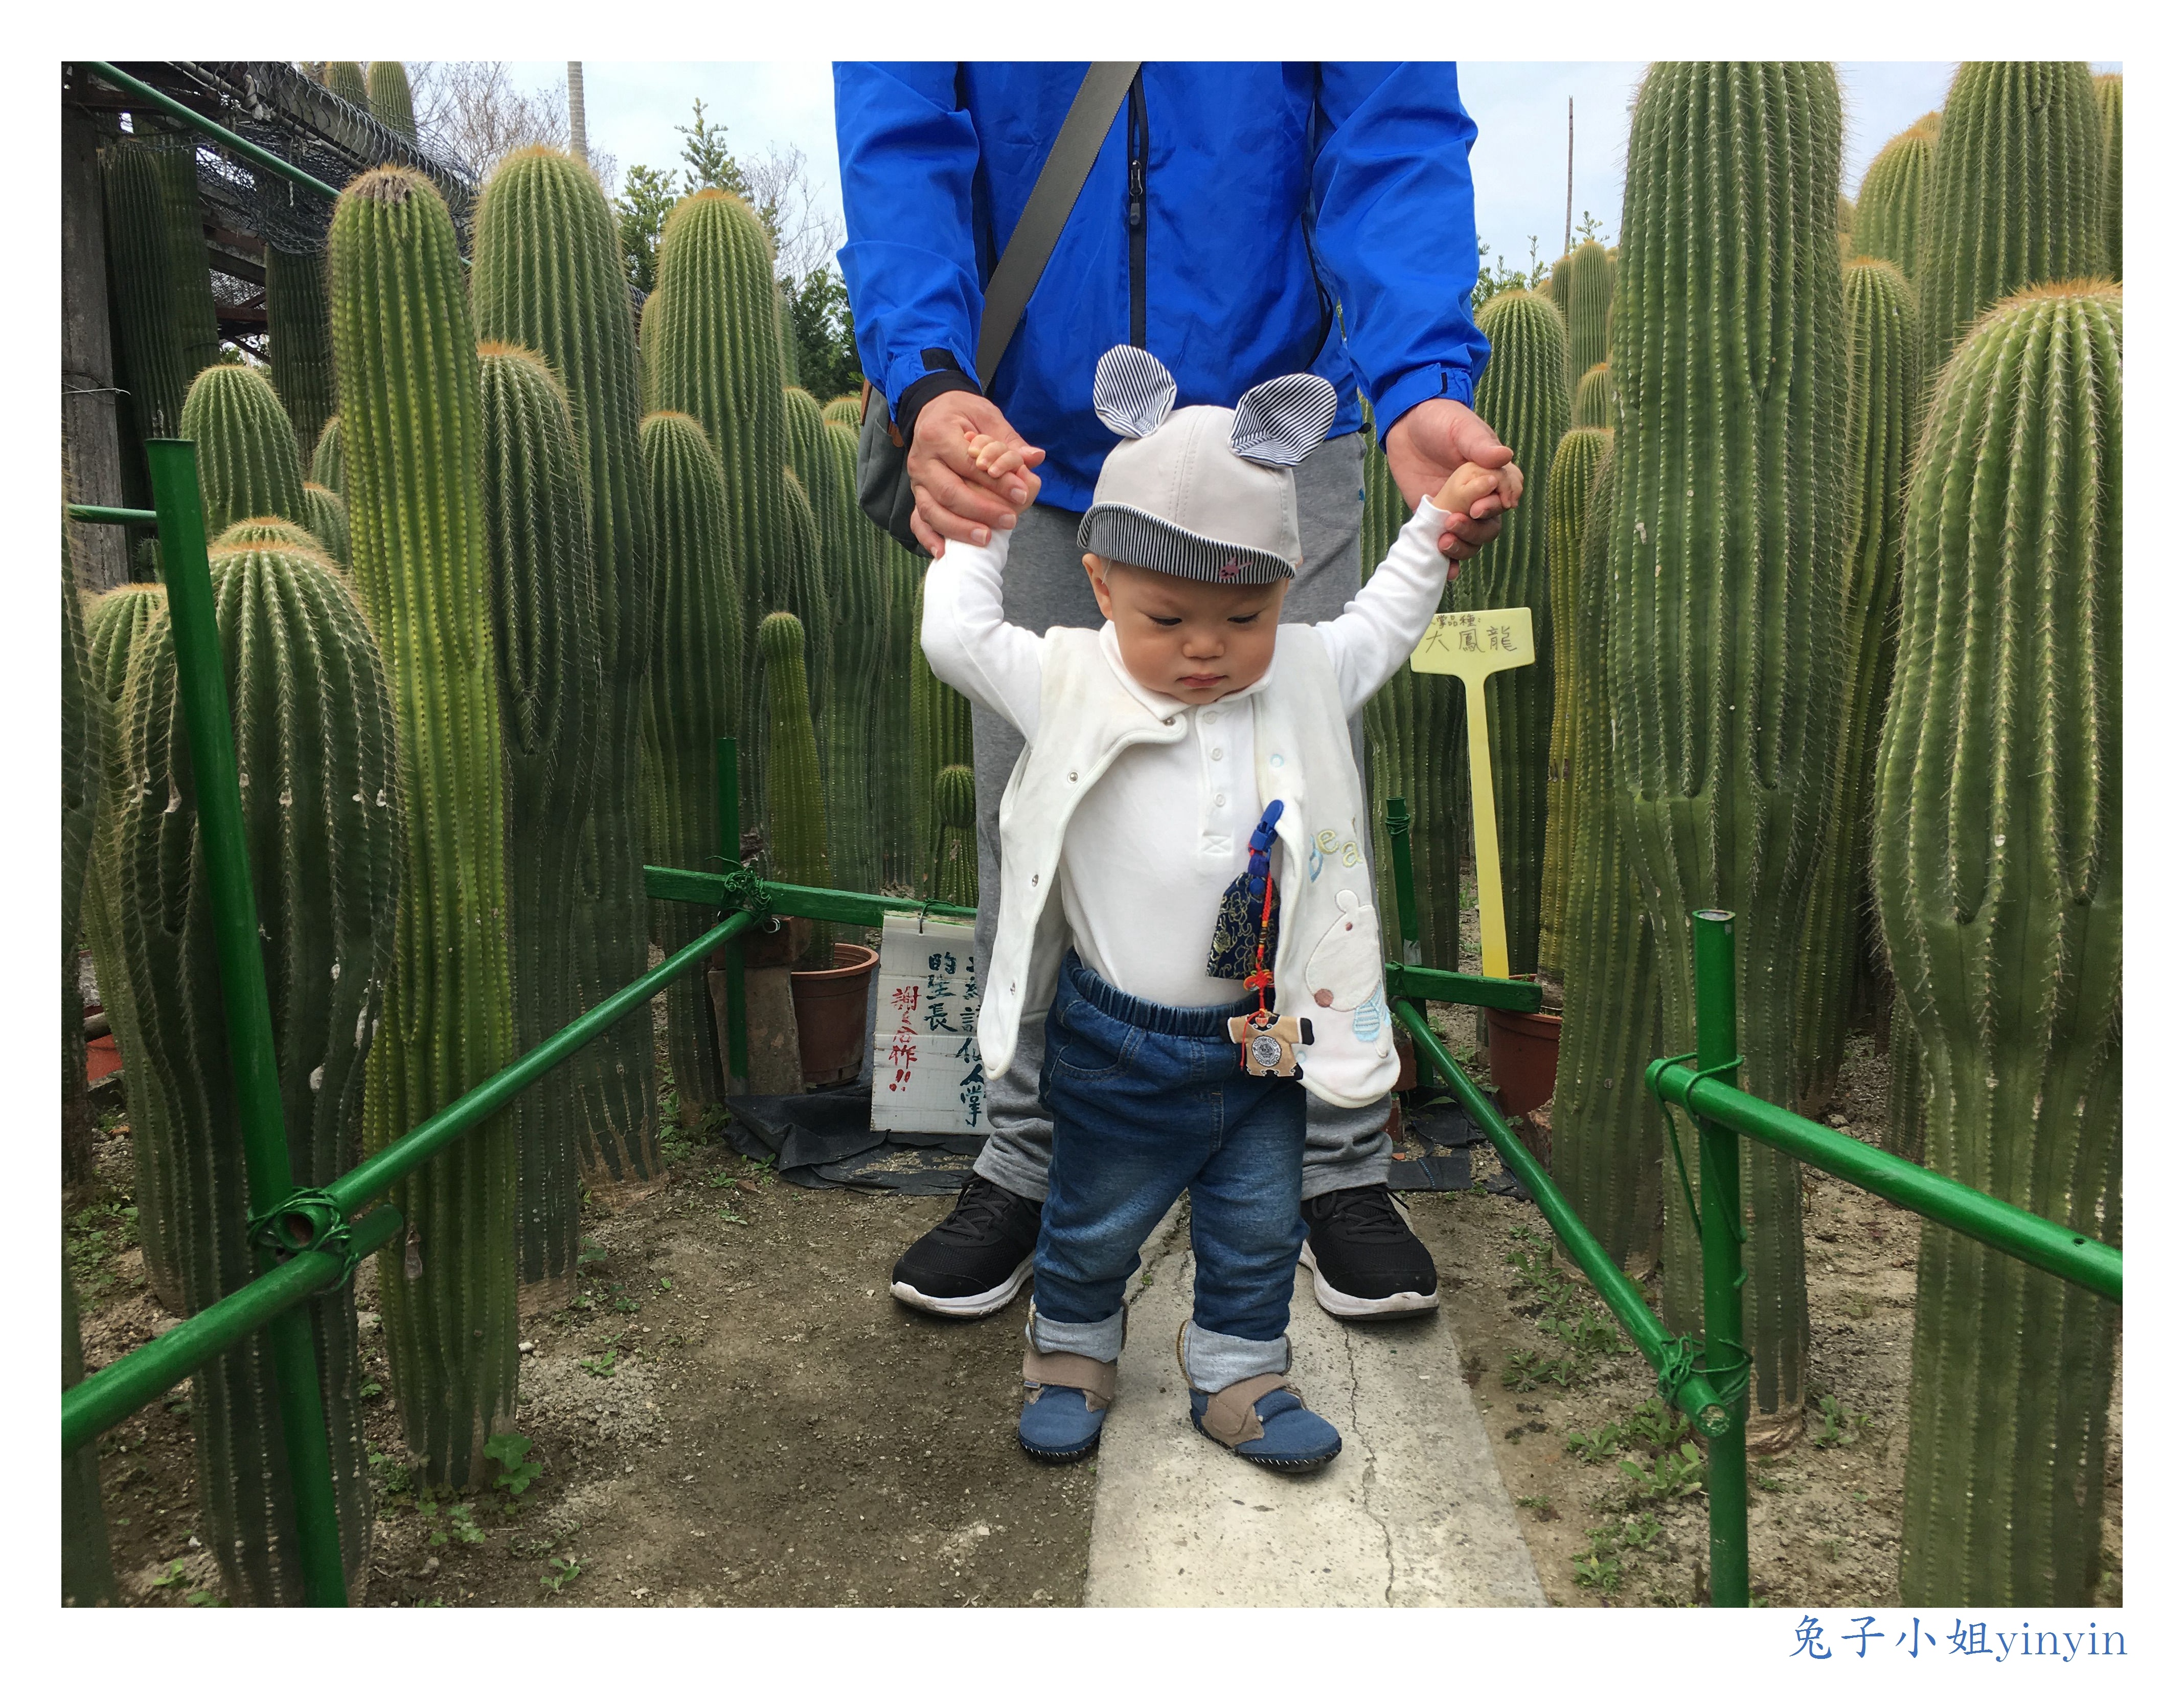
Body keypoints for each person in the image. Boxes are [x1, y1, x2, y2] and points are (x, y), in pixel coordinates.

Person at [835, 63, 1517, 1323]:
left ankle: (1334, 1167)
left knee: (1304, 817)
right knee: (1040, 817)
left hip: (1279, 433)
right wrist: (930, 376)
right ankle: (1029, 1157)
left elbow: (1390, 116)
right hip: (1035, 439)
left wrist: (1422, 378)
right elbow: (901, 119)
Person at [921, 347, 1513, 1466]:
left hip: (1262, 1041)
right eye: (1167, 615)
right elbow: (956, 636)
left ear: (1286, 591)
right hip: (1114, 1045)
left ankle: (1241, 1373)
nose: (1206, 647)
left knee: (1257, 1223)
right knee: (1091, 1215)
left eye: (1245, 615)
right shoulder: (1066, 675)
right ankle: (1072, 1354)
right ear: (1100, 585)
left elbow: (1384, 620)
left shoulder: (1303, 673)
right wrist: (986, 523)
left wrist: (1435, 526)